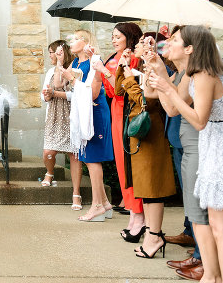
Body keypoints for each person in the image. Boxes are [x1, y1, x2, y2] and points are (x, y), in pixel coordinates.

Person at [150, 25, 223, 282]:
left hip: (222, 151)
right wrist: (165, 85)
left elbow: (199, 121)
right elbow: (176, 109)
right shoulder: (205, 72)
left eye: (175, 40)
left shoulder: (205, 76)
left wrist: (170, 90)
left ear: (190, 48)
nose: (168, 44)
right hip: (221, 147)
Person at [115, 36, 175, 257]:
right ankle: (151, 233)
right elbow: (119, 90)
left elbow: (146, 102)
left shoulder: (156, 70)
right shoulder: (140, 67)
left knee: (152, 186)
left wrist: (130, 78)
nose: (137, 45)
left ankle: (154, 236)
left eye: (143, 42)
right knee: (144, 187)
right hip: (137, 131)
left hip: (150, 130)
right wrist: (123, 68)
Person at [93, 22, 144, 230]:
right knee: (122, 165)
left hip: (126, 110)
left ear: (129, 38)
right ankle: (133, 212)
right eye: (112, 36)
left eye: (118, 36)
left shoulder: (133, 59)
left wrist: (104, 70)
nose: (113, 40)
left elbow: (121, 88)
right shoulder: (114, 58)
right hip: (115, 110)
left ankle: (138, 214)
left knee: (129, 163)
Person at [65, 29, 114, 222]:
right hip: (84, 113)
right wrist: (63, 67)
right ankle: (105, 203)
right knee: (88, 158)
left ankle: (97, 206)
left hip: (94, 112)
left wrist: (71, 79)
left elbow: (93, 93)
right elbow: (67, 84)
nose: (72, 41)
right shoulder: (76, 62)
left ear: (86, 43)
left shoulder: (95, 62)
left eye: (76, 39)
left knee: (93, 160)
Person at [41, 40, 83, 211]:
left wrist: (55, 93)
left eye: (54, 52)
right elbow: (44, 94)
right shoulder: (51, 71)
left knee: (74, 155)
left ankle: (76, 192)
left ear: (63, 52)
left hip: (71, 115)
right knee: (48, 152)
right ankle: (49, 172)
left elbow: (76, 94)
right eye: (51, 52)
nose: (51, 55)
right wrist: (47, 95)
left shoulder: (74, 69)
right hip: (54, 116)